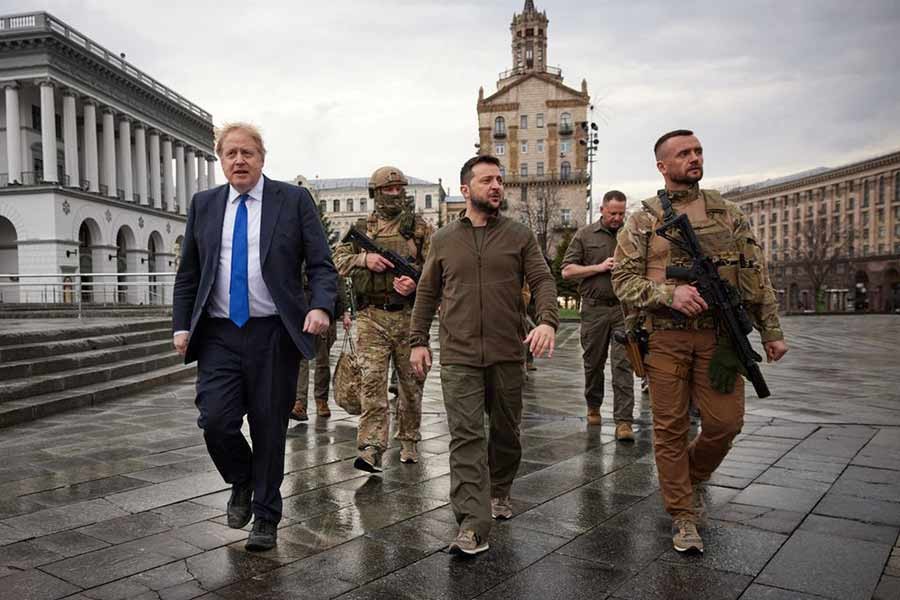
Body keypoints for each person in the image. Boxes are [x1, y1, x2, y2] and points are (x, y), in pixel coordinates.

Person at [612, 129, 788, 554]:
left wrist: (771, 331)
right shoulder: (644, 220)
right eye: (683, 153)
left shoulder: (729, 215)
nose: (694, 158)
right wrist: (668, 294)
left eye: (698, 151)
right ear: (662, 166)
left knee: (726, 424)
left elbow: (755, 273)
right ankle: (683, 515)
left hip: (719, 338)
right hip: (666, 340)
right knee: (669, 429)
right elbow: (622, 280)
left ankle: (687, 477)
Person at [172, 122, 337, 552]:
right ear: (221, 160)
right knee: (216, 420)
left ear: (262, 158)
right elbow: (189, 271)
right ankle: (242, 479)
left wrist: (320, 305)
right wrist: (181, 324)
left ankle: (266, 515)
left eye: (247, 153)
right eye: (231, 154)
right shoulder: (204, 205)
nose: (239, 160)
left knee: (269, 427)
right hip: (219, 334)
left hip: (273, 334)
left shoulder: (292, 200)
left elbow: (321, 262)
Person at [410, 155, 558, 556]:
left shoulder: (519, 235)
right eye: (487, 180)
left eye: (500, 180)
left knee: (506, 433)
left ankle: (501, 488)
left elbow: (543, 279)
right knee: (467, 437)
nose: (497, 186)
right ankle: (472, 525)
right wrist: (418, 340)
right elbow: (426, 293)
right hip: (458, 355)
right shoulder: (443, 240)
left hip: (508, 351)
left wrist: (546, 321)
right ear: (465, 189)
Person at [332, 166, 434, 472]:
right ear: (375, 193)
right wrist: (365, 259)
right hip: (371, 317)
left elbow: (437, 269)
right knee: (372, 384)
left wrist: (417, 284)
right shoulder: (364, 227)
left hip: (409, 319)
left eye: (399, 188)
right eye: (388, 189)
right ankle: (371, 448)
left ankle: (409, 440)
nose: (395, 194)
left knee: (411, 386)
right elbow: (337, 259)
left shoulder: (418, 228)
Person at [561, 190, 635, 440]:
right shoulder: (584, 235)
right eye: (613, 213)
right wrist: (599, 267)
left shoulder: (632, 235)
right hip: (593, 309)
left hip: (624, 309)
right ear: (602, 209)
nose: (617, 218)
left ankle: (624, 422)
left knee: (623, 365)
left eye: (621, 213)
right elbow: (567, 271)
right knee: (593, 364)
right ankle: (593, 405)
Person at [291, 272, 351, 421]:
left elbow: (338, 282)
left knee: (323, 361)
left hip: (325, 312)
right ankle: (299, 403)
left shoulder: (326, 256)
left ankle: (321, 401)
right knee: (301, 359)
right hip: (301, 311)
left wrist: (345, 312)